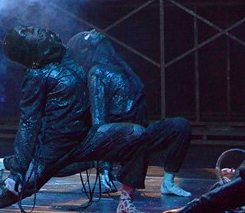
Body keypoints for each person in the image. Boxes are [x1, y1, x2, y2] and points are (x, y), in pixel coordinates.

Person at [0, 25, 149, 213]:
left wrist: (93, 37)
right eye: (26, 33)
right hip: (52, 151)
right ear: (29, 51)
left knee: (136, 134)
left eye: (28, 28)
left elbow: (87, 42)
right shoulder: (37, 76)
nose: (33, 30)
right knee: (4, 196)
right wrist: (18, 171)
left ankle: (125, 202)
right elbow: (29, 124)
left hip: (84, 139)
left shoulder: (64, 54)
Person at [65, 30, 192, 197]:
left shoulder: (122, 69)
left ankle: (168, 183)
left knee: (180, 126)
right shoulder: (97, 73)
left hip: (137, 134)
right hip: (117, 139)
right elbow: (99, 118)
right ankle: (106, 171)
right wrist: (104, 167)